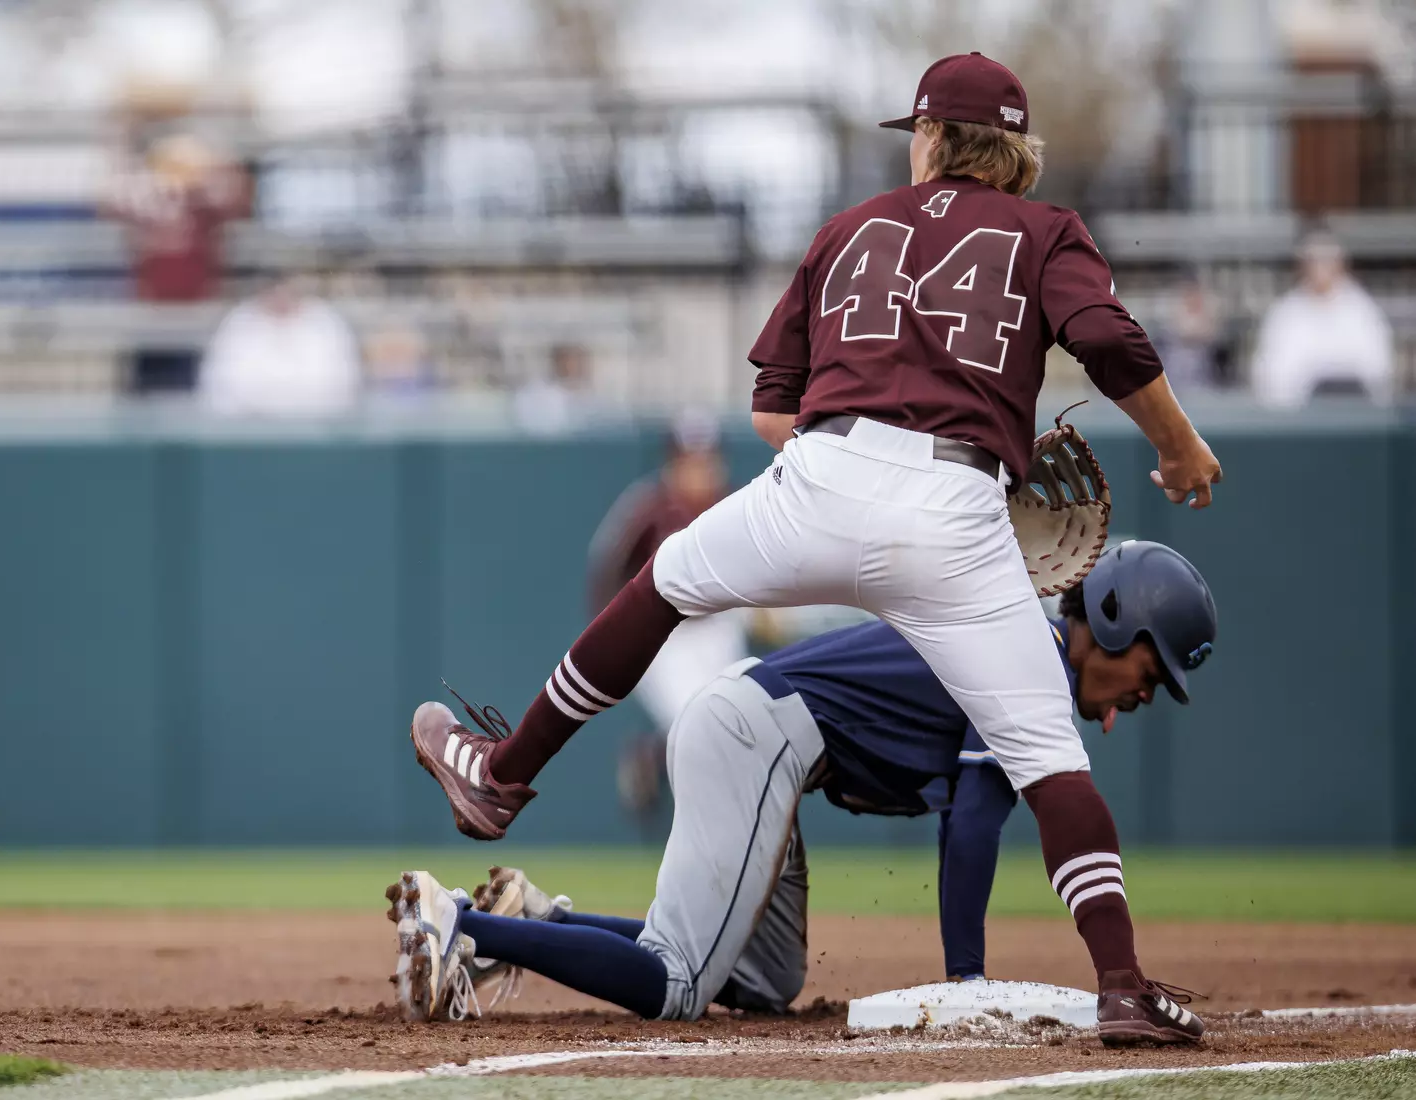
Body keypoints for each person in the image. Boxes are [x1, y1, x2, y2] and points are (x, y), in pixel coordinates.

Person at [406, 52, 1222, 1042]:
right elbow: (1112, 340)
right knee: (1051, 760)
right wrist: (1179, 445)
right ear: (1018, 153)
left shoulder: (846, 229)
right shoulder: (1047, 229)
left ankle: (502, 773)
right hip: (956, 503)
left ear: (929, 137)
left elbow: (769, 410)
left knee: (662, 584)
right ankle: (1124, 982)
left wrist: (857, 466)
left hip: (821, 476)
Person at [389, 541, 1216, 1047]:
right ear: (1114, 622)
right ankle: (460, 921)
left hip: (766, 740)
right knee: (677, 984)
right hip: (756, 734)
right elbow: (971, 828)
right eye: (1155, 669)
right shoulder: (1025, 660)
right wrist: (968, 984)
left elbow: (972, 818)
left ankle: (537, 924)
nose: (1149, 693)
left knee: (763, 984)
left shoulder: (1016, 645)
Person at [585, 414, 746, 818]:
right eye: (689, 457)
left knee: (730, 724)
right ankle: (661, 767)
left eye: (705, 456)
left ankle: (651, 757)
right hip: (664, 636)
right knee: (692, 723)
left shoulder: (736, 502)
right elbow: (607, 565)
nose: (699, 466)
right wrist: (612, 633)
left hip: (717, 628)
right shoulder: (648, 506)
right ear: (672, 459)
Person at [104, 130, 252, 394]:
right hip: (151, 314)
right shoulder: (150, 203)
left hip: (194, 314)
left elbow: (236, 197)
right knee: (143, 388)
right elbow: (114, 202)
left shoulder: (203, 205)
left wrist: (216, 161)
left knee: (188, 387)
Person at [1248, 231, 1395, 407]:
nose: (1320, 268)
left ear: (1340, 264)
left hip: (1356, 414)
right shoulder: (1284, 314)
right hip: (1303, 420)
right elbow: (1271, 375)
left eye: (1327, 261)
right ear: (1302, 266)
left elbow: (1379, 367)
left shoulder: (1363, 311)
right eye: (1314, 261)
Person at [198, 273, 362, 418]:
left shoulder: (326, 322)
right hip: (248, 429)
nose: (281, 298)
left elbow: (341, 381)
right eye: (274, 292)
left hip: (317, 428)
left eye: (287, 292)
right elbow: (222, 383)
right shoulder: (238, 322)